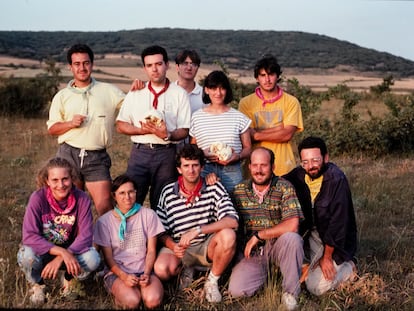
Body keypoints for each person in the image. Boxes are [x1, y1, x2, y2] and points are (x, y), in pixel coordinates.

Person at [47, 43, 125, 216]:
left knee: (105, 207)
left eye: (86, 63)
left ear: (92, 64)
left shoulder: (109, 90)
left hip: (96, 156)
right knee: (69, 206)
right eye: (77, 64)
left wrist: (138, 91)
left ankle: (105, 243)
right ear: (70, 67)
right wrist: (70, 123)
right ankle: (73, 242)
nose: (82, 68)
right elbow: (52, 129)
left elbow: (131, 106)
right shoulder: (61, 96)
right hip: (68, 154)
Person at [154, 144, 239, 303]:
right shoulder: (168, 192)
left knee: (228, 235)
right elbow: (160, 231)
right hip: (180, 247)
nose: (191, 170)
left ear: (202, 167)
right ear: (179, 169)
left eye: (195, 165)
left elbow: (232, 220)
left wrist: (199, 230)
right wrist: (173, 246)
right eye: (186, 166)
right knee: (161, 269)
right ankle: (186, 269)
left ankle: (212, 281)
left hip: (206, 245)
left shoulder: (214, 187)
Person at [228, 147, 304, 311]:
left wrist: (259, 235)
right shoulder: (239, 190)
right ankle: (269, 275)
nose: (259, 170)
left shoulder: (284, 187)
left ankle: (290, 293)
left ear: (273, 167)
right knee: (237, 290)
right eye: (255, 165)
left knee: (293, 238)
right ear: (249, 167)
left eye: (264, 165)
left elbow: (292, 224)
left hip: (279, 246)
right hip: (253, 252)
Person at [17, 157, 101, 305]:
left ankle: (69, 279)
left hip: (72, 253)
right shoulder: (38, 198)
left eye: (65, 179)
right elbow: (29, 236)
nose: (61, 185)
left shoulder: (82, 198)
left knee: (93, 258)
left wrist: (64, 256)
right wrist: (61, 253)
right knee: (26, 255)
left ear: (72, 179)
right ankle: (37, 284)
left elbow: (86, 236)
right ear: (47, 181)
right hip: (44, 253)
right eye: (55, 180)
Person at [116, 45, 191, 209]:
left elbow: (184, 130)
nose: (154, 69)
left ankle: (158, 235)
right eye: (149, 65)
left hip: (167, 153)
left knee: (163, 203)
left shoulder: (179, 93)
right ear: (144, 68)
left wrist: (168, 135)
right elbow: (120, 125)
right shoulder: (136, 92)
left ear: (167, 65)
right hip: (140, 153)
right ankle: (131, 234)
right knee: (131, 200)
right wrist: (141, 130)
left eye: (158, 64)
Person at [283, 136, 357, 296]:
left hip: (333, 240)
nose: (311, 166)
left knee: (316, 288)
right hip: (310, 232)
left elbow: (338, 225)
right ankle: (308, 266)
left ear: (326, 158)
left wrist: (327, 257)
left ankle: (349, 267)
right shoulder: (298, 174)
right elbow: (278, 183)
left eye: (315, 160)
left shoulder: (337, 180)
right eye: (305, 162)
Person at [93, 174, 165, 309]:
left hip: (143, 269)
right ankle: (121, 295)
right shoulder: (104, 221)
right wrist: (124, 276)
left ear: (136, 193)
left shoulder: (148, 215)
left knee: (153, 301)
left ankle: (143, 289)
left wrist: (147, 273)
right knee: (132, 301)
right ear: (114, 196)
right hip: (118, 272)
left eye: (131, 192)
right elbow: (108, 258)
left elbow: (151, 250)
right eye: (122, 193)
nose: (127, 197)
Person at [238, 54, 304, 177]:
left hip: (284, 168)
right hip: (256, 170)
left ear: (277, 76)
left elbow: (287, 134)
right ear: (257, 78)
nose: (267, 79)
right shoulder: (246, 103)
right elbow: (248, 135)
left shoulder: (291, 101)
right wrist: (279, 128)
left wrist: (257, 134)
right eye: (263, 75)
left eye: (271, 74)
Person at [190, 70, 251, 193]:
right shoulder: (196, 117)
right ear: (206, 90)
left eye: (222, 88)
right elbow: (192, 147)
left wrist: (237, 156)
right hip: (205, 169)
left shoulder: (239, 117)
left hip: (232, 170)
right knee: (206, 207)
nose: (218, 93)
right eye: (213, 88)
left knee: (234, 206)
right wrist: (202, 154)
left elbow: (248, 149)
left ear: (227, 90)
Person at [174, 49, 205, 114]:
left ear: (197, 68)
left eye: (193, 64)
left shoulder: (205, 95)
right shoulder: (168, 92)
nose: (189, 68)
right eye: (185, 63)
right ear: (177, 67)